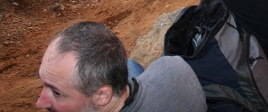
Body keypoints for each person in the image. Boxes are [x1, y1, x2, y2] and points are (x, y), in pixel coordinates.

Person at [36, 21, 206, 112]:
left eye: (56, 93)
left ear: (102, 96)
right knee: (129, 64)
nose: (39, 103)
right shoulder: (174, 65)